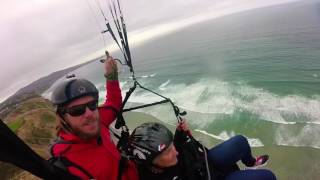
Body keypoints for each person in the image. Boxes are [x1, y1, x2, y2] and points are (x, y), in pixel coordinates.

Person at [49, 55, 139, 180]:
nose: (89, 114)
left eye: (92, 105)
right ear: (62, 117)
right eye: (77, 110)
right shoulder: (66, 165)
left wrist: (111, 76)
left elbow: (113, 102)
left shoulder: (97, 121)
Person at [129, 120, 277, 180]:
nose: (175, 152)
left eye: (171, 146)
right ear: (150, 161)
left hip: (205, 162)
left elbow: (175, 147)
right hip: (208, 177)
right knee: (268, 177)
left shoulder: (164, 156)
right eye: (167, 152)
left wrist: (180, 134)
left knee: (240, 141)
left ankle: (250, 163)